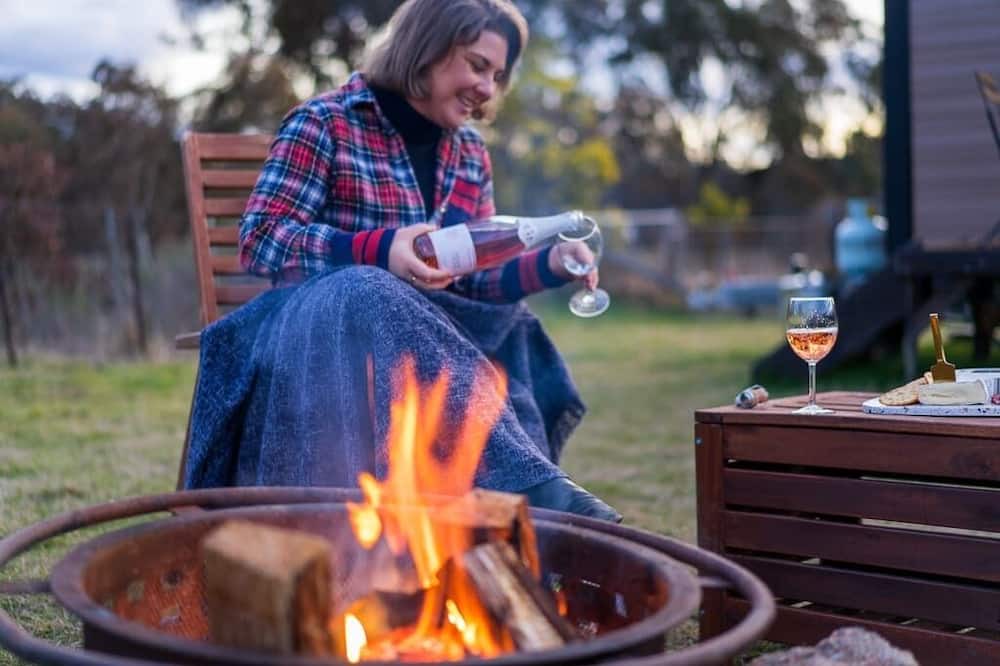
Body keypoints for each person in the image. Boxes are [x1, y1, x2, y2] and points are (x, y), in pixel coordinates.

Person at [182, 0, 621, 522]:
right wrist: (378, 250)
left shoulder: (469, 154)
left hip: (420, 350)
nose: (488, 88)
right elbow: (260, 239)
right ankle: (534, 493)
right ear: (426, 48)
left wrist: (549, 265)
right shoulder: (326, 123)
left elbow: (470, 281)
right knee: (371, 285)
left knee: (514, 325)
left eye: (498, 76)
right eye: (478, 65)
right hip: (313, 340)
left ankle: (519, 532)